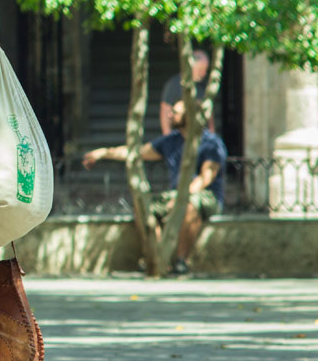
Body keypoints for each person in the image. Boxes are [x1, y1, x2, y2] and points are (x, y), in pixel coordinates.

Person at [83, 99, 226, 275]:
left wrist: (180, 198)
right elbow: (136, 152)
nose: (169, 115)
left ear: (189, 116)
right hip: (176, 194)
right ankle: (158, 257)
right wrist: (104, 152)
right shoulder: (170, 141)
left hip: (205, 196)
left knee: (189, 207)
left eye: (175, 112)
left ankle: (181, 261)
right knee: (143, 206)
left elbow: (206, 178)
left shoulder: (211, 143)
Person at [160, 49, 213, 134]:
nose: (204, 74)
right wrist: (168, 137)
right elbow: (165, 113)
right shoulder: (174, 85)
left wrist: (211, 133)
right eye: (201, 70)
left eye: (205, 70)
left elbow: (209, 114)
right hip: (179, 137)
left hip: (200, 137)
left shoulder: (203, 86)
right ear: (191, 66)